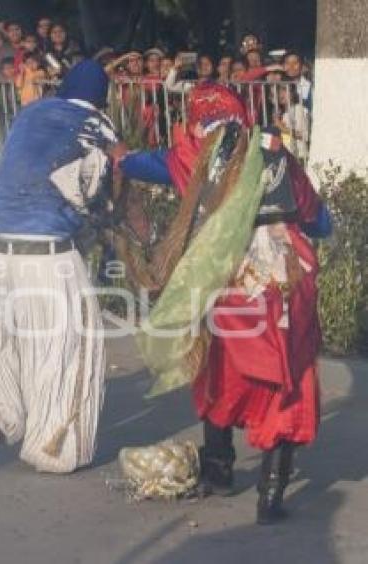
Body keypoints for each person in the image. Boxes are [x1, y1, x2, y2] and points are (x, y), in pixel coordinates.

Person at [116, 83, 328, 525]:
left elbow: (141, 163)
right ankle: (271, 495)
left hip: (229, 282)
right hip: (286, 280)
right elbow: (316, 217)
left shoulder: (194, 155)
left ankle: (218, 471)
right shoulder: (274, 150)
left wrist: (117, 154)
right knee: (289, 376)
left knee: (219, 365)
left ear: (197, 119)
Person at [0, 60, 115, 473]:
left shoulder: (29, 114)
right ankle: (53, 448)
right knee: (64, 348)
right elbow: (94, 187)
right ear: (101, 99)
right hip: (47, 255)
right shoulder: (98, 126)